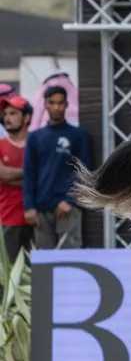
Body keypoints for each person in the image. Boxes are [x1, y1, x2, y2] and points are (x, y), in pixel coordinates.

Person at [23, 85, 92, 249]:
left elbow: (84, 172)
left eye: (60, 103)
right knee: (45, 264)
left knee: (71, 260)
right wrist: (29, 207)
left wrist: (70, 200)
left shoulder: (78, 135)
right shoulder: (35, 137)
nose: (56, 107)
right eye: (52, 103)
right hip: (41, 209)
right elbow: (29, 173)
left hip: (68, 208)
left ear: (67, 104)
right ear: (45, 104)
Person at [0, 85, 34, 260]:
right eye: (5, 114)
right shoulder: (1, 145)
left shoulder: (37, 143)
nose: (7, 118)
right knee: (7, 275)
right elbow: (2, 174)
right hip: (7, 218)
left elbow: (44, 177)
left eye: (13, 113)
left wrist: (14, 176)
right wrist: (31, 175)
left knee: (34, 273)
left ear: (26, 117)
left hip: (35, 217)